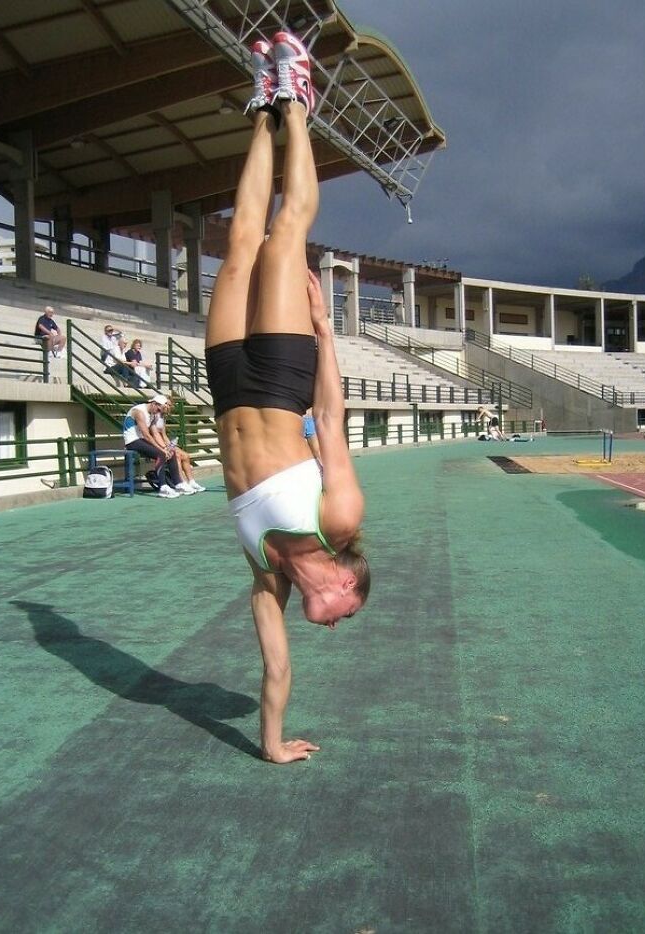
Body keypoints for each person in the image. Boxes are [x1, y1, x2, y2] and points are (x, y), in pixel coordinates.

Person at [204, 32, 370, 765]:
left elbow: (276, 669)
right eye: (346, 611)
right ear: (343, 576)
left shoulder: (266, 580)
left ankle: (259, 107)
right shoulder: (338, 519)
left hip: (226, 385)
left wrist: (271, 745)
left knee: (238, 240)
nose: (333, 623)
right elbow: (330, 419)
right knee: (284, 234)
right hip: (279, 377)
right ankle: (297, 103)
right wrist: (327, 335)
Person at [122, 394, 185, 498]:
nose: (158, 413)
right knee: (161, 454)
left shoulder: (152, 413)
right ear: (154, 404)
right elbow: (147, 435)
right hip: (132, 441)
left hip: (141, 440)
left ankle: (178, 484)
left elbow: (153, 434)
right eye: (159, 410)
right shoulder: (139, 412)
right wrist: (161, 449)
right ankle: (163, 488)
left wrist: (166, 448)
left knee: (171, 452)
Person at [152, 398, 206, 493]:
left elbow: (163, 435)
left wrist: (171, 445)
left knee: (185, 455)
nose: (168, 407)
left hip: (163, 442)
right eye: (167, 405)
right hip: (154, 443)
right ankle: (181, 482)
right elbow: (153, 434)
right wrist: (166, 448)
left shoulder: (163, 417)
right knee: (175, 455)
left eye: (170, 405)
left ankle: (191, 482)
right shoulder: (153, 416)